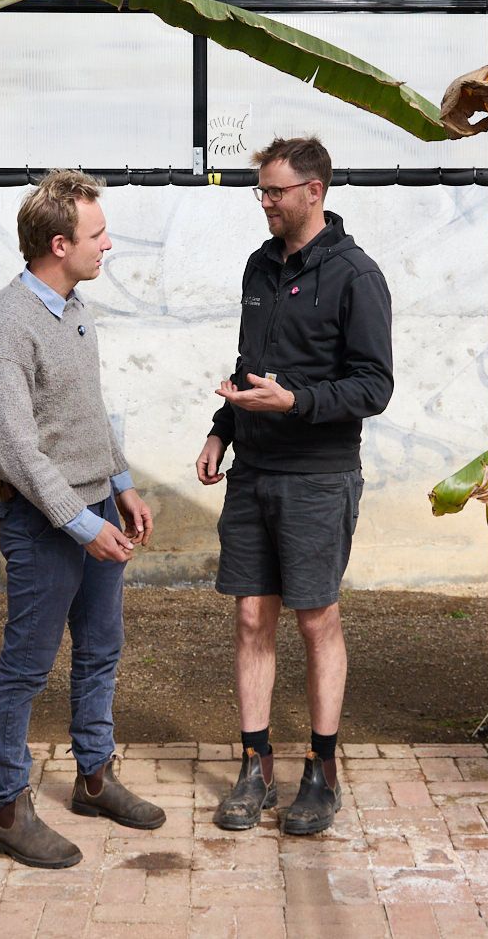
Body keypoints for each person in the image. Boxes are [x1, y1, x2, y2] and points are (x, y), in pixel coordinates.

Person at [196, 136, 394, 837]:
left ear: (314, 191)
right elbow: (254, 363)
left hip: (318, 475)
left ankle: (322, 768)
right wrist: (224, 425)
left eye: (275, 190)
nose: (266, 202)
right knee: (252, 615)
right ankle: (255, 765)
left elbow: (375, 385)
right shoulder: (260, 266)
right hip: (253, 471)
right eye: (262, 190)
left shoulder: (355, 275)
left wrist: (296, 403)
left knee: (317, 619)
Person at [0, 169, 164, 868]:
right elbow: (16, 449)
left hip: (96, 509)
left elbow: (89, 409)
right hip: (45, 523)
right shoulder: (4, 327)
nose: (108, 244)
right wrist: (83, 524)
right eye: (97, 233)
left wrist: (123, 485)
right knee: (26, 666)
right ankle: (7, 808)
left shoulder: (74, 307)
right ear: (59, 243)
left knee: (101, 650)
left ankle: (94, 777)